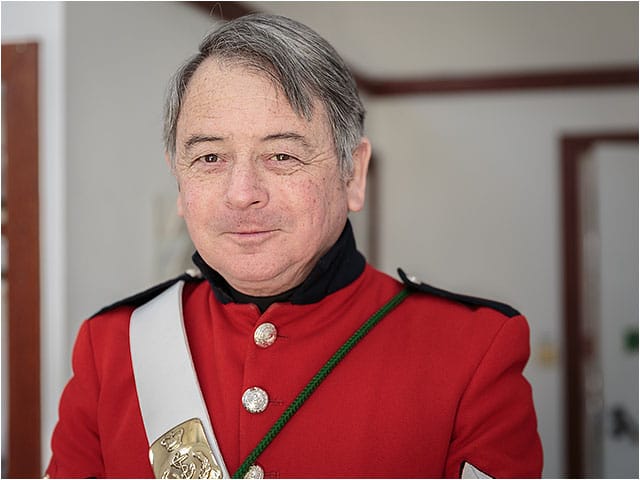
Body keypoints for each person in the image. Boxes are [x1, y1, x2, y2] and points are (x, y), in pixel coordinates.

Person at [46, 13, 543, 479]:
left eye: (282, 154)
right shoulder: (112, 347)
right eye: (210, 157)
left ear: (353, 173)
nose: (242, 193)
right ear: (179, 181)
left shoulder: (471, 351)